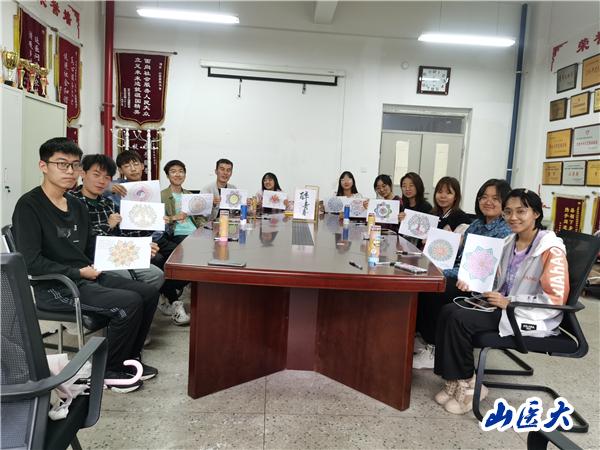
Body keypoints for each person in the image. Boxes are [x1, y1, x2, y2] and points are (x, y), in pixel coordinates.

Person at [12, 138, 159, 393]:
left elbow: (93, 247)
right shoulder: (29, 206)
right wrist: (77, 272)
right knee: (129, 302)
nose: (70, 171)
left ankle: (128, 359)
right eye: (62, 164)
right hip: (57, 287)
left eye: (74, 165)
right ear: (43, 166)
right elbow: (31, 262)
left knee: (148, 292)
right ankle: (108, 371)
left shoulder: (77, 205)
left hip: (86, 276)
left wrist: (137, 250)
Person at [433, 189, 569, 415]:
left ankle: (469, 386)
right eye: (508, 212)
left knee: (459, 319)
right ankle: (453, 380)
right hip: (501, 305)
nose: (513, 217)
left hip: (528, 314)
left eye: (521, 211)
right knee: (449, 310)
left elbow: (555, 299)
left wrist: (509, 302)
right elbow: (495, 280)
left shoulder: (550, 250)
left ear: (536, 214)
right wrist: (473, 283)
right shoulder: (509, 242)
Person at [414, 178, 512, 369]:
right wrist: (436, 251)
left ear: (505, 203)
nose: (488, 202)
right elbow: (460, 256)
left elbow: (481, 269)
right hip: (463, 275)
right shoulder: (476, 224)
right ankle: (425, 338)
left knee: (435, 289)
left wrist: (444, 270)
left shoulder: (505, 231)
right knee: (424, 282)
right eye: (484, 197)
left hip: (481, 284)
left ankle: (435, 348)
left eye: (495, 198)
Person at [69, 154, 164, 292]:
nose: (102, 181)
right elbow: (79, 238)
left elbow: (125, 233)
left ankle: (137, 302)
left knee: (156, 275)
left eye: (107, 177)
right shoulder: (71, 201)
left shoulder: (109, 204)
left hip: (117, 255)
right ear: (83, 173)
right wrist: (108, 225)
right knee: (127, 279)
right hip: (90, 259)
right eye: (96, 175)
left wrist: (150, 228)